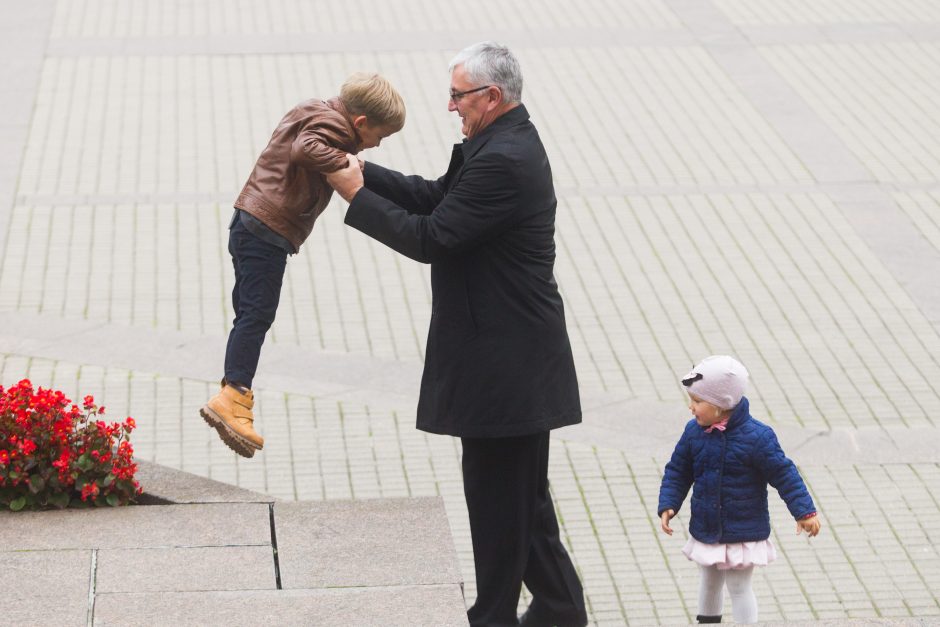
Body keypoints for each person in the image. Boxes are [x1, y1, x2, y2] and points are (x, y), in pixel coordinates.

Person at [325, 42, 588, 627]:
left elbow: (432, 237)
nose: (450, 107)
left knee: (500, 506)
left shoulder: (504, 159)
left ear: (491, 97)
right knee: (522, 506)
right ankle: (561, 611)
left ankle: (493, 617)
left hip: (507, 370)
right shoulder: (499, 142)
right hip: (506, 366)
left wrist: (355, 197)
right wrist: (365, 172)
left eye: (457, 95)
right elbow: (439, 198)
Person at [200, 73, 405, 458]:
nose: (376, 145)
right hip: (266, 231)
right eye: (380, 135)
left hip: (249, 223)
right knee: (256, 316)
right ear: (360, 123)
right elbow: (304, 148)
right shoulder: (333, 128)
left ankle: (232, 393)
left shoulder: (314, 108)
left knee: (248, 314)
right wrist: (346, 159)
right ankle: (234, 398)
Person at [658, 355, 821, 624]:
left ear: (722, 405)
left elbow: (784, 474)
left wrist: (804, 512)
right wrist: (668, 503)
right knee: (709, 581)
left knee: (738, 586)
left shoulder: (757, 437)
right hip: (707, 526)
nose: (691, 407)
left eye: (698, 401)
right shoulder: (693, 432)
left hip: (743, 531)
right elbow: (678, 469)